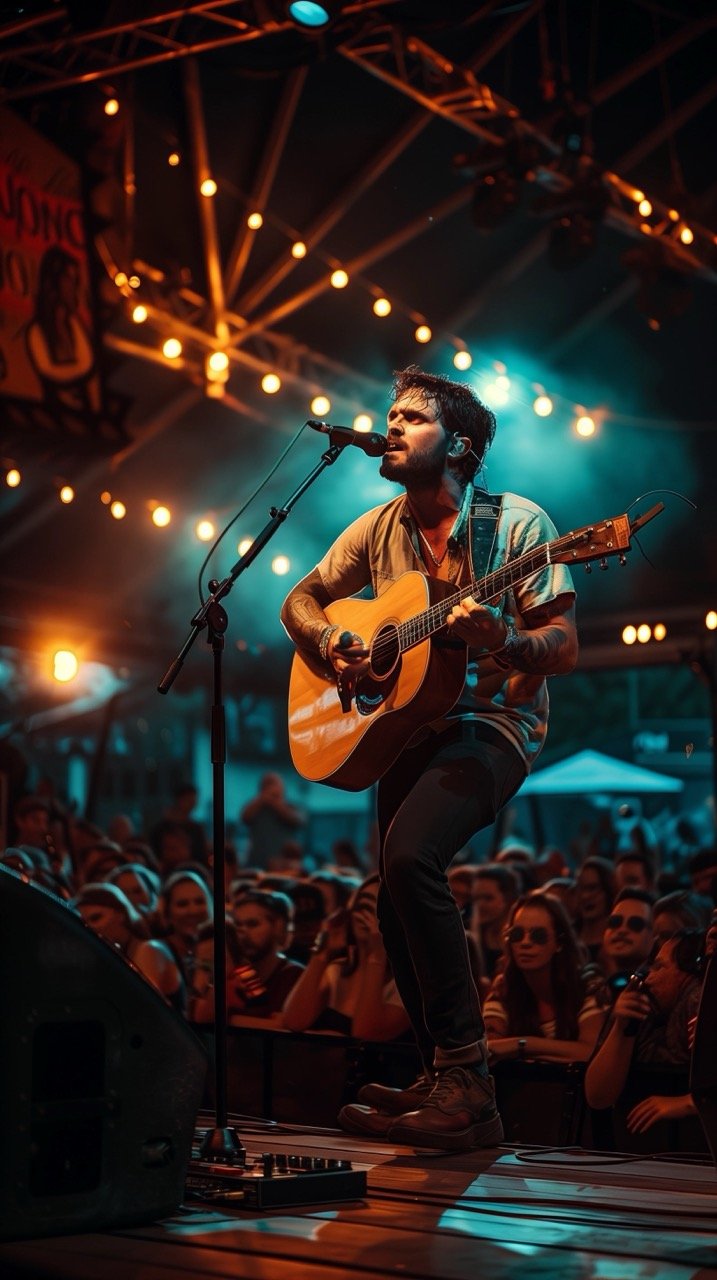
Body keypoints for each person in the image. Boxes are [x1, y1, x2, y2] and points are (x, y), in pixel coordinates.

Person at [280, 365, 577, 1150]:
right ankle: (437, 1076)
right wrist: (334, 641)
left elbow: (561, 646)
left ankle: (469, 1080)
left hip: (491, 727)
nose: (393, 425)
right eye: (392, 415)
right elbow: (298, 601)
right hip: (403, 726)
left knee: (411, 857)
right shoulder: (376, 528)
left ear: (463, 447)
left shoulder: (517, 523)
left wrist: (504, 639)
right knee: (389, 895)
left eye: (412, 417)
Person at [482, 890, 607, 1064]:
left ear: (559, 943)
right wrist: (558, 1052)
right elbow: (490, 1049)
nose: (525, 943)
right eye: (517, 935)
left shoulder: (585, 985)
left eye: (538, 935)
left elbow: (589, 1052)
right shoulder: (504, 987)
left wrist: (521, 1045)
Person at [239, 772, 305, 871]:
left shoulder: (291, 806)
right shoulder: (256, 807)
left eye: (274, 785)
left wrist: (275, 803)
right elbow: (244, 817)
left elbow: (298, 820)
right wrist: (262, 799)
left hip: (283, 865)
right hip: (257, 863)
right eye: (268, 785)